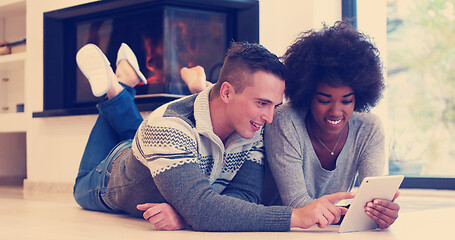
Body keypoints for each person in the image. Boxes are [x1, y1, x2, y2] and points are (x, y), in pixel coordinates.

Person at [73, 41, 353, 232]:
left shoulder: (251, 127)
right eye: (262, 103)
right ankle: (119, 84)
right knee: (80, 189)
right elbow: (204, 210)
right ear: (228, 92)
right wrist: (297, 215)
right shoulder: (166, 128)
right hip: (107, 176)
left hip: (164, 152)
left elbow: (244, 196)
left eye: (274, 105)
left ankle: (127, 81)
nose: (270, 118)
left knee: (146, 133)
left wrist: (189, 212)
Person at [263, 21, 400, 229]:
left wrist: (381, 212)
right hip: (278, 231)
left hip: (330, 230)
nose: (336, 112)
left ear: (359, 97)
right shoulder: (285, 121)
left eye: (346, 101)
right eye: (324, 100)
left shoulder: (368, 129)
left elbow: (369, 205)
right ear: (308, 95)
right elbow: (298, 204)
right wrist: (352, 214)